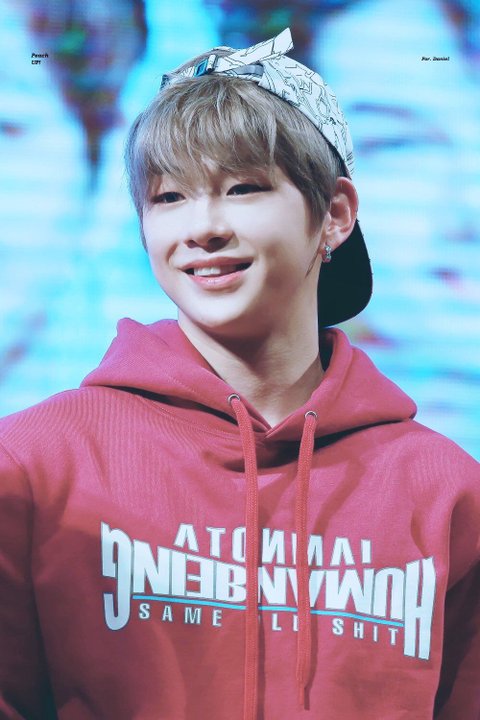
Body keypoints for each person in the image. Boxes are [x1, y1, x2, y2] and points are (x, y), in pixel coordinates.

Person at [0, 27, 479, 720]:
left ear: (335, 214)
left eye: (243, 188)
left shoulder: (446, 493)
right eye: (169, 197)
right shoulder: (34, 466)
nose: (203, 227)